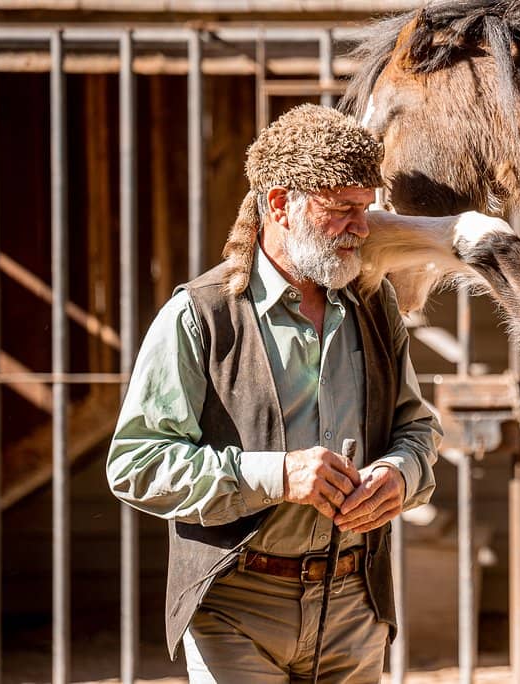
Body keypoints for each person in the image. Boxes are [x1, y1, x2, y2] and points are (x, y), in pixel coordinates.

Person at [107, 104, 441, 683]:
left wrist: (401, 476)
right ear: (280, 204)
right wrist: (276, 476)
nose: (361, 229)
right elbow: (135, 463)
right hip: (235, 608)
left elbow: (418, 428)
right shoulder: (199, 315)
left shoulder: (374, 303)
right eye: (341, 209)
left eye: (365, 209)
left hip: (354, 608)